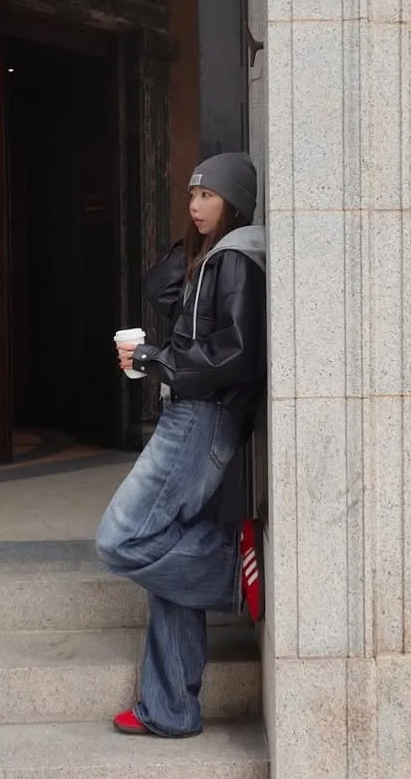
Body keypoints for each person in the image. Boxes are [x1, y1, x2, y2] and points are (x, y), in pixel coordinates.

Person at [96, 152, 266, 739]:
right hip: (195, 415)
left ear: (235, 202)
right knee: (167, 556)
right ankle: (169, 709)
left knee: (122, 538)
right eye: (191, 195)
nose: (195, 205)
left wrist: (154, 358)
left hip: (200, 418)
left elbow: (235, 353)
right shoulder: (215, 257)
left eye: (208, 195)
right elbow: (160, 287)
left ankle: (233, 569)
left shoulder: (237, 259)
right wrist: (195, 241)